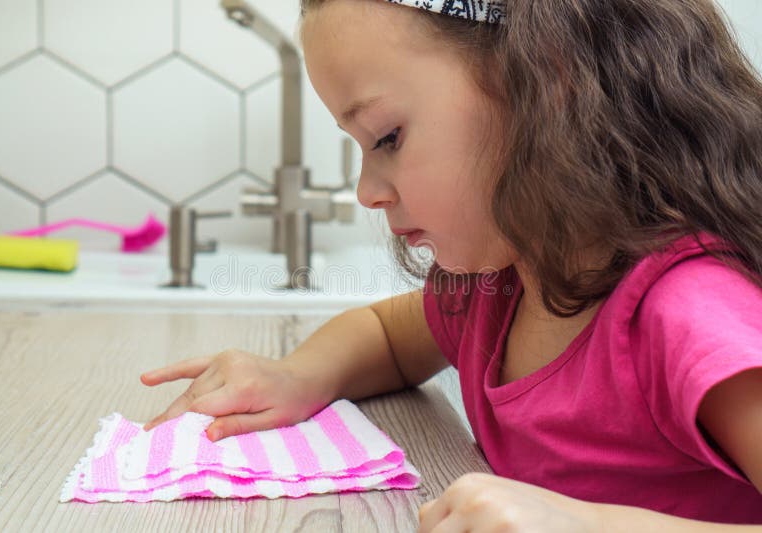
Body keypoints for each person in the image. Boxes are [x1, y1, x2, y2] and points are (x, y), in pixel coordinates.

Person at [141, 0, 762, 529]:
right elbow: (387, 336)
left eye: (386, 137)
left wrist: (593, 522)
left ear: (547, 78)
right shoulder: (503, 286)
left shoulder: (690, 315)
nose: (367, 190)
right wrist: (298, 375)